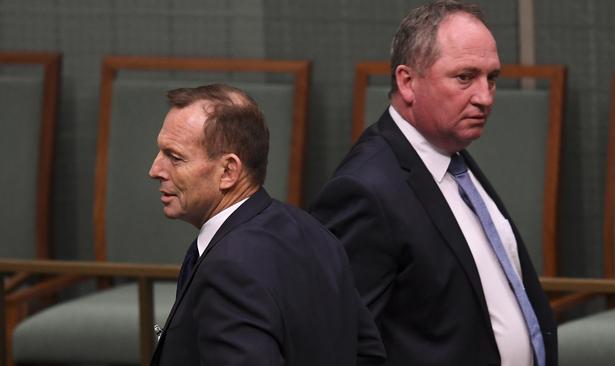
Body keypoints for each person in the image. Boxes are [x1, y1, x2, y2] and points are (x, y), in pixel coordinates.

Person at [310, 1, 557, 365]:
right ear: (407, 82)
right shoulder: (365, 189)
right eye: (464, 77)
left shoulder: (452, 156)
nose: (485, 97)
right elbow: (339, 342)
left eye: (491, 78)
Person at [148, 83, 385, 365]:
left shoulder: (228, 269)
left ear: (228, 171)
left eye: (174, 157)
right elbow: (369, 354)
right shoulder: (314, 233)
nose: (155, 170)